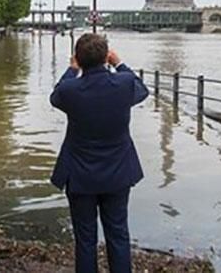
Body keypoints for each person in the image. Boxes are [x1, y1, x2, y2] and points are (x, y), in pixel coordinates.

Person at [49, 33, 149, 273]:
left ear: (78, 59)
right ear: (106, 56)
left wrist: (72, 70)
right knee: (118, 233)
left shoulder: (70, 90)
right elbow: (142, 90)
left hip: (80, 175)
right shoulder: (123, 84)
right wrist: (119, 64)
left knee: (85, 239)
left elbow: (56, 96)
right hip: (118, 172)